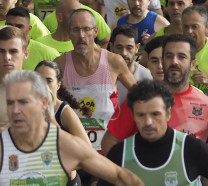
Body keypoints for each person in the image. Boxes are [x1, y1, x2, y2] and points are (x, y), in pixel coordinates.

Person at [102, 35, 208, 163]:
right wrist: (123, 175)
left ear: (192, 64)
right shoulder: (141, 99)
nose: (174, 62)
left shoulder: (207, 105)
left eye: (181, 57)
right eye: (168, 56)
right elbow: (109, 142)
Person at [0, 70, 142, 186]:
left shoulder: (65, 145)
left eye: (24, 102)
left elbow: (121, 177)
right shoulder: (3, 145)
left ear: (43, 103)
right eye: (10, 103)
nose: (15, 110)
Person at [101, 80, 208, 185]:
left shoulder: (191, 148)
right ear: (133, 116)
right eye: (141, 115)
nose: (148, 122)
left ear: (168, 113)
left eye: (155, 114)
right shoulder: (120, 154)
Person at [57, 7, 136, 150]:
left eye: (86, 29)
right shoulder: (59, 64)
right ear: (69, 33)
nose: (81, 36)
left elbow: (140, 95)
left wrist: (123, 125)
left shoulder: (113, 61)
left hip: (108, 148)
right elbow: (47, 103)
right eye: (76, 30)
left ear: (95, 32)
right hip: (74, 149)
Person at [34, 60, 91, 144]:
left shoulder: (64, 112)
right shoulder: (27, 107)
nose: (43, 85)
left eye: (48, 81)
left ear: (58, 85)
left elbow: (87, 148)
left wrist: (50, 116)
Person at [108, 24, 153, 101]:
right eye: (119, 47)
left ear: (137, 48)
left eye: (129, 48)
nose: (124, 53)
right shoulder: (100, 73)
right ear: (111, 47)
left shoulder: (146, 77)